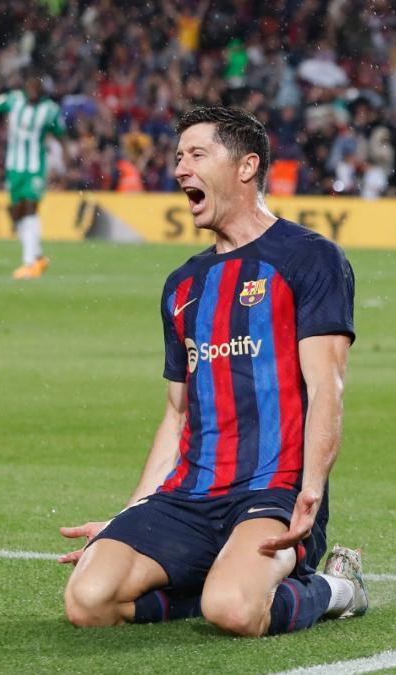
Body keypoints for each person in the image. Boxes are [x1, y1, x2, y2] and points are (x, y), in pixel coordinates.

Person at [58, 106, 367, 636]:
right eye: (178, 157)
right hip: (189, 494)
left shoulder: (309, 258)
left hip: (272, 489)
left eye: (197, 154)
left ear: (246, 167)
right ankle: (214, 579)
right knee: (88, 602)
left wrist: (311, 488)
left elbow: (326, 388)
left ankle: (339, 588)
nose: (180, 169)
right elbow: (176, 416)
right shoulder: (182, 286)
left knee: (234, 611)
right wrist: (131, 513)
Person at [0, 72, 66, 280]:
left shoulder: (50, 110)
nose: (32, 89)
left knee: (29, 206)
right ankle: (37, 256)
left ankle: (29, 263)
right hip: (14, 167)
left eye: (36, 85)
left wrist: (60, 164)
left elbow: (61, 133)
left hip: (35, 167)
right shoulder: (14, 99)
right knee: (16, 212)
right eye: (30, 84)